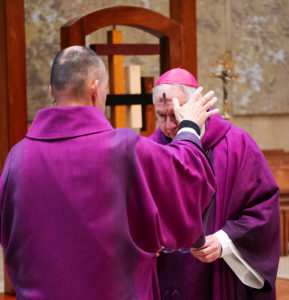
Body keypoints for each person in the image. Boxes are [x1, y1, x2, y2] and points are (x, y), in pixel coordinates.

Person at [0, 47, 218, 300]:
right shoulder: (122, 149)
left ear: (52, 91)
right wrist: (190, 127)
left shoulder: (17, 157)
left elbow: (10, 239)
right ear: (95, 89)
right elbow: (186, 178)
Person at [150, 68, 280, 300]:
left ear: (196, 106)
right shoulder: (151, 149)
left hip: (218, 271)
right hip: (167, 274)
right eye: (161, 116)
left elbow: (264, 209)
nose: (169, 126)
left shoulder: (237, 145)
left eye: (175, 115)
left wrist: (224, 241)